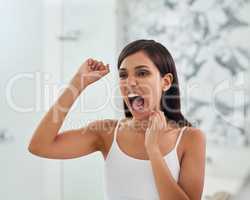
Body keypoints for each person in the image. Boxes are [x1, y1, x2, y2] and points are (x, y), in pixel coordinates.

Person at [28, 39, 206, 200]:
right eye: (123, 75)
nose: (130, 82)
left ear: (166, 82)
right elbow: (39, 146)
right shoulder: (107, 133)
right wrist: (78, 83)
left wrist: (153, 149)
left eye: (142, 73)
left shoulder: (190, 138)